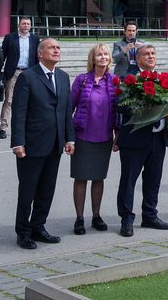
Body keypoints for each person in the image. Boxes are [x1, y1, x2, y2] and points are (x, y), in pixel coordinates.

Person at [11, 38, 75, 250]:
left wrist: (69, 137)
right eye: (52, 47)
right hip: (32, 144)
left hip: (55, 144)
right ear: (40, 53)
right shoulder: (28, 77)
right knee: (28, 190)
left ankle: (39, 226)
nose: (57, 50)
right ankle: (23, 232)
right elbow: (19, 112)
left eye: (58, 47)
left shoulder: (63, 77)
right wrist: (18, 142)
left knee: (47, 190)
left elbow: (66, 111)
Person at [118, 44, 168, 235]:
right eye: (146, 54)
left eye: (153, 53)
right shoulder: (129, 79)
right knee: (128, 181)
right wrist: (144, 106)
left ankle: (149, 215)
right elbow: (120, 106)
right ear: (137, 58)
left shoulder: (162, 79)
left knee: (153, 180)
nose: (151, 57)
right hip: (135, 140)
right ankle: (126, 219)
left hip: (158, 139)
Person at [70, 44, 117, 235]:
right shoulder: (81, 80)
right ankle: (79, 218)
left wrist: (118, 135)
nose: (103, 57)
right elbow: (68, 108)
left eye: (106, 54)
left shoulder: (114, 81)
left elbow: (119, 111)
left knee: (99, 177)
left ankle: (96, 216)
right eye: (99, 55)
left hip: (104, 137)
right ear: (93, 58)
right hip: (82, 136)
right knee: (81, 178)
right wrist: (69, 138)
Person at [0, 17, 40, 141]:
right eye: (24, 23)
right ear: (19, 25)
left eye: (28, 24)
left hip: (29, 72)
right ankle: (3, 128)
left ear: (30, 26)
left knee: (29, 100)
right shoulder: (10, 38)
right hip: (13, 72)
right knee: (9, 101)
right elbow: (2, 55)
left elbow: (38, 57)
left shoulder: (34, 39)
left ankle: (27, 127)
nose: (26, 26)